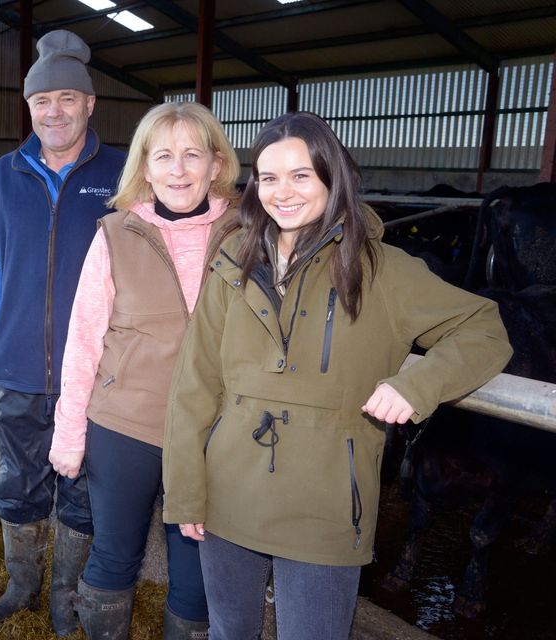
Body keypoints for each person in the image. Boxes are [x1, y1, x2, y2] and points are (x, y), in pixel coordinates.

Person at [162, 111, 513, 640]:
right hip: (228, 493)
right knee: (228, 632)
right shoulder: (232, 261)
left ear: (333, 177)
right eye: (269, 177)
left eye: (302, 175)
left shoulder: (381, 270)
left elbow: (484, 329)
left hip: (325, 504)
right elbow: (195, 384)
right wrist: (186, 491)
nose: (283, 192)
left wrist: (416, 385)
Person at [48, 101, 241, 640]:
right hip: (124, 425)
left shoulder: (250, 236)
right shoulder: (115, 234)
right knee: (114, 555)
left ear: (216, 165)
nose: (178, 170)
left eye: (191, 155)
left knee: (196, 573)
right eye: (164, 157)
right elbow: (83, 340)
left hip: (212, 434)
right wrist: (70, 434)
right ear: (145, 168)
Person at [0, 29, 126, 636]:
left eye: (66, 98)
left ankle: (67, 598)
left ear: (89, 104)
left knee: (83, 488)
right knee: (17, 481)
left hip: (97, 373)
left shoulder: (122, 176)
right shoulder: (3, 175)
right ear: (28, 107)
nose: (53, 111)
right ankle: (19, 587)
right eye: (41, 101)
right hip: (19, 369)